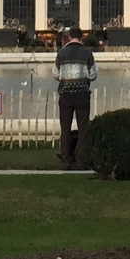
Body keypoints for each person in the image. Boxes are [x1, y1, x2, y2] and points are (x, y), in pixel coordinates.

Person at [52, 26, 97, 165]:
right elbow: (93, 74)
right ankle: (81, 158)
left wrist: (66, 78)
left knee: (65, 128)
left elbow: (55, 74)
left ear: (69, 36)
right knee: (83, 128)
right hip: (82, 94)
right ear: (81, 37)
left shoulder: (61, 53)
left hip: (65, 95)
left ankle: (66, 157)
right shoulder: (87, 53)